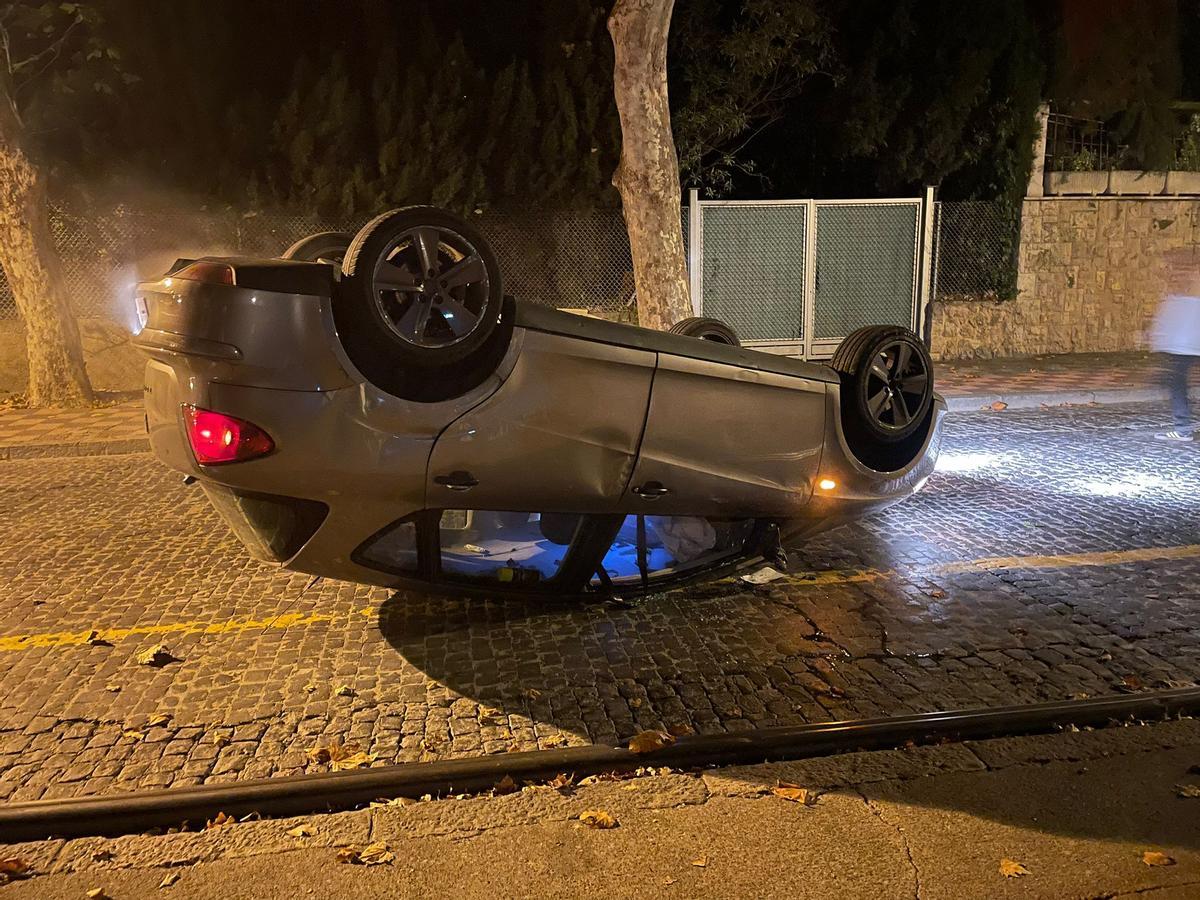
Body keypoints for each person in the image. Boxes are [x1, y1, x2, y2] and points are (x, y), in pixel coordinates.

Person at [1150, 247, 1200, 442]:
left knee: (1176, 382)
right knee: (1175, 381)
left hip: (1186, 343)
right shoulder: (1184, 286)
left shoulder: (1187, 286)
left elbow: (1179, 313)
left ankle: (1183, 428)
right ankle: (1183, 426)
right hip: (1185, 343)